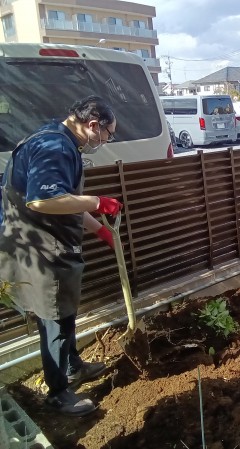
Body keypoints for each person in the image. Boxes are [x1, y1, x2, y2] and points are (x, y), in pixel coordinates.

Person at [0, 96, 123, 416]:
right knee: (55, 316)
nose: (106, 141)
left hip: (50, 243)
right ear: (93, 125)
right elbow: (42, 201)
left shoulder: (59, 139)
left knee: (64, 310)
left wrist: (100, 230)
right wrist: (97, 202)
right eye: (108, 134)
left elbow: (66, 200)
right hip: (40, 248)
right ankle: (58, 392)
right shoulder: (54, 147)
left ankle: (72, 366)